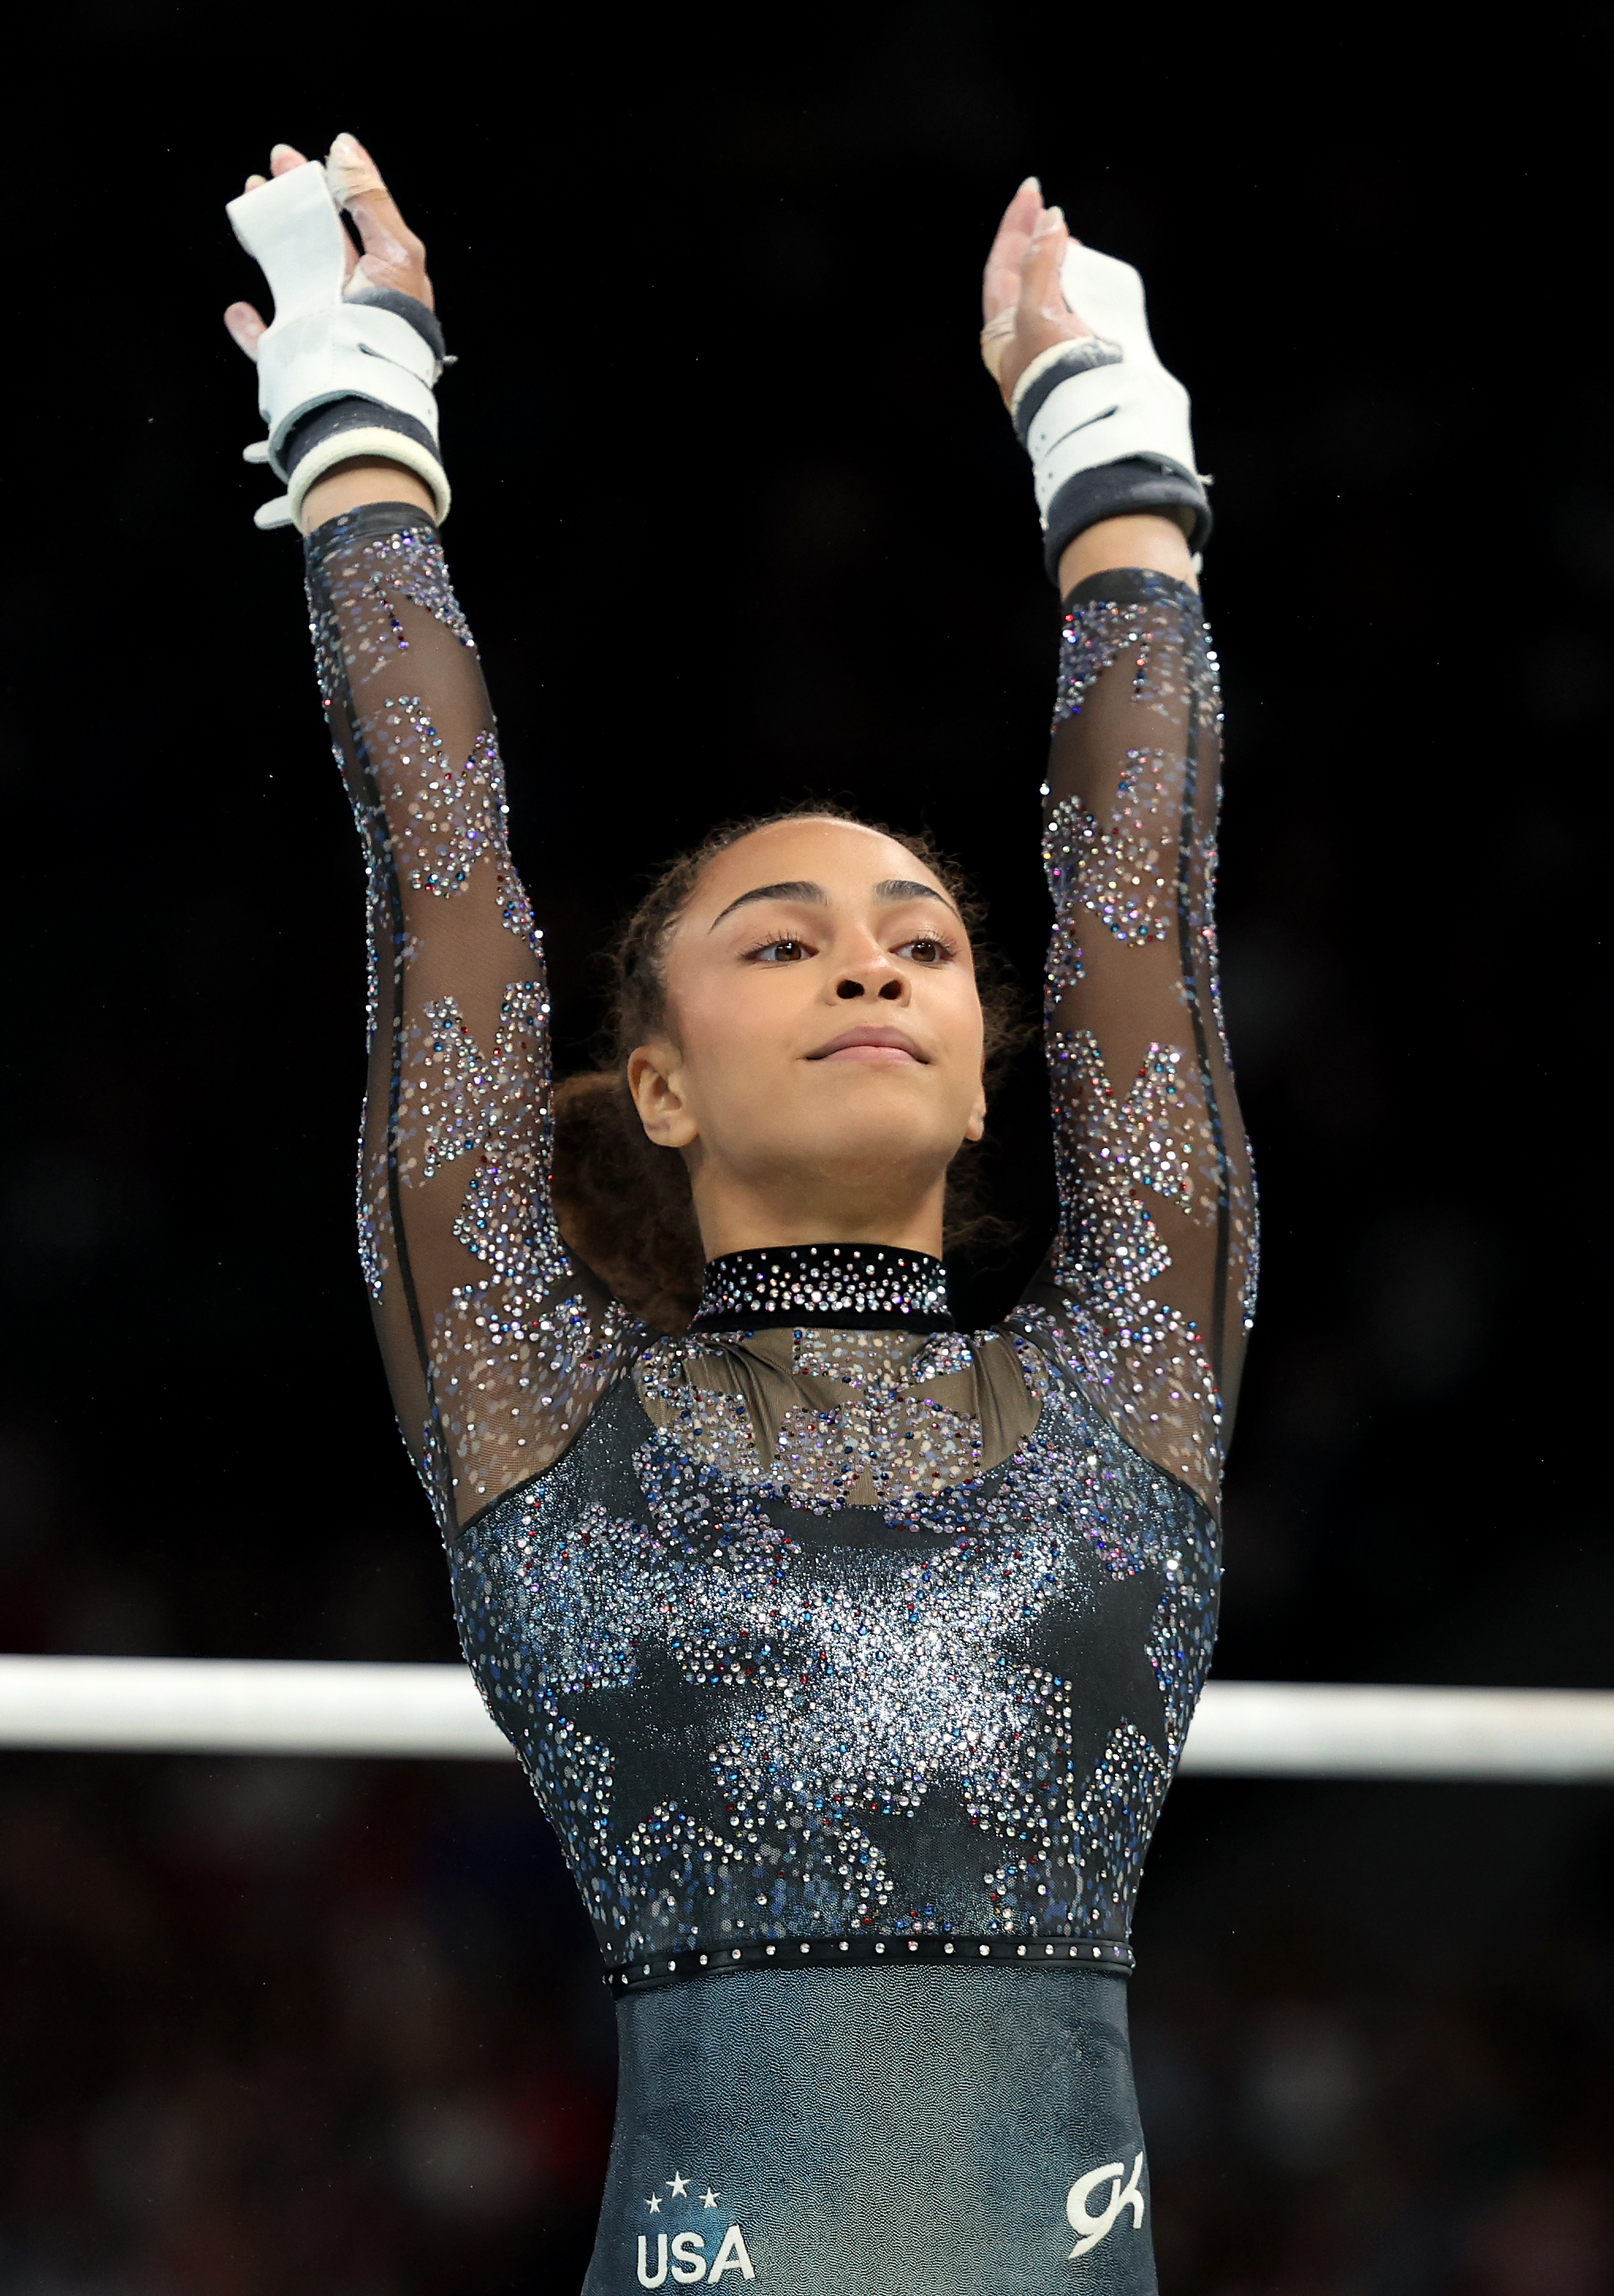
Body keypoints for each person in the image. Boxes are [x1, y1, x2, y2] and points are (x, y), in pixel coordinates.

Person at [223, 136, 1254, 2295]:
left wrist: (1113, 444)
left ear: (993, 1074)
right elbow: (447, 903)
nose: (871, 965)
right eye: (781, 945)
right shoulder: (540, 1416)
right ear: (661, 1082)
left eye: (917, 943)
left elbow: (1137, 906)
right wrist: (357, 418)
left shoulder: (1131, 1388)